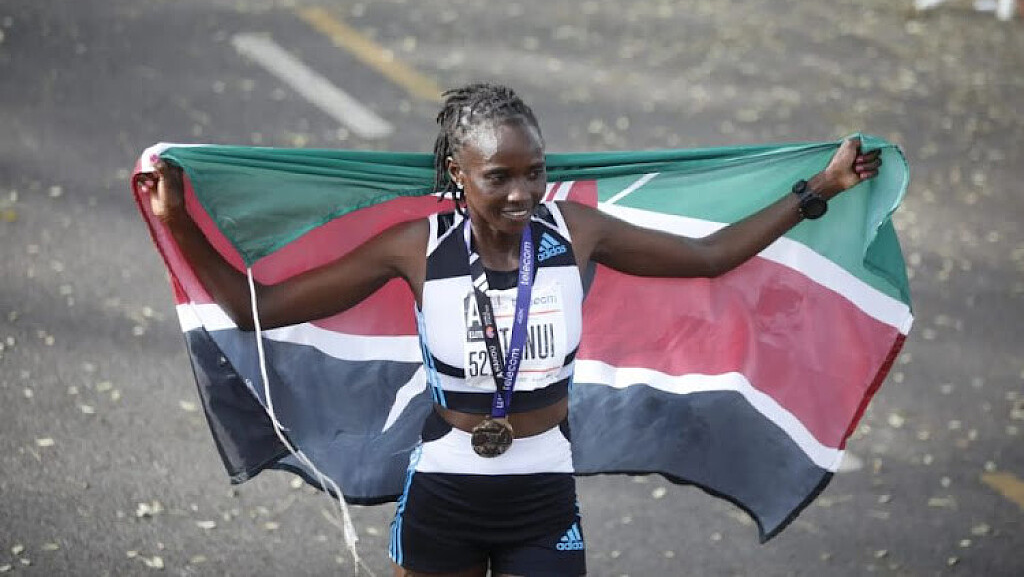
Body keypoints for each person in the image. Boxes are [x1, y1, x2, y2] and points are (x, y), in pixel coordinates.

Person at [138, 82, 881, 577]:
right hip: (443, 497)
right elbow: (256, 307)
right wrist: (178, 222)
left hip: (543, 497)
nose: (523, 191)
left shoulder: (575, 232)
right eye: (499, 176)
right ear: (457, 173)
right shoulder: (416, 248)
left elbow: (709, 257)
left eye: (534, 171)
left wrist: (818, 188)